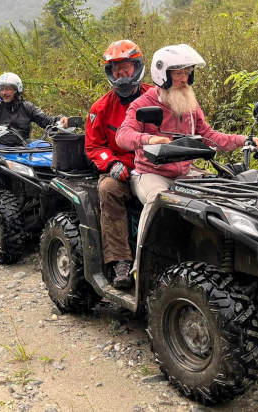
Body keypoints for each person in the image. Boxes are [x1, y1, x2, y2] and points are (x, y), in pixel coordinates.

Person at [116, 44, 258, 258]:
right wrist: (149, 139)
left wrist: (243, 140)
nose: (184, 79)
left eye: (187, 73)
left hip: (186, 172)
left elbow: (209, 135)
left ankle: (222, 255)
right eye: (178, 74)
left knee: (224, 193)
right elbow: (122, 135)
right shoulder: (142, 104)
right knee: (158, 200)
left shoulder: (189, 103)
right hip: (151, 173)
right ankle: (142, 262)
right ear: (163, 75)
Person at [85, 40, 153, 290]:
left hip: (156, 166)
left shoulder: (156, 97)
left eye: (126, 68)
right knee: (108, 190)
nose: (121, 74)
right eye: (116, 70)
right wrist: (111, 163)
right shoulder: (100, 108)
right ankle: (120, 261)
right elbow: (93, 146)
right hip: (122, 170)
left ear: (137, 67)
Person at [0, 72, 68, 155]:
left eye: (8, 89)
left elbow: (45, 120)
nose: (4, 92)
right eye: (1, 89)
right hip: (1, 148)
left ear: (17, 90)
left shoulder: (27, 107)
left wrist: (61, 120)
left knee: (46, 148)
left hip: (23, 147)